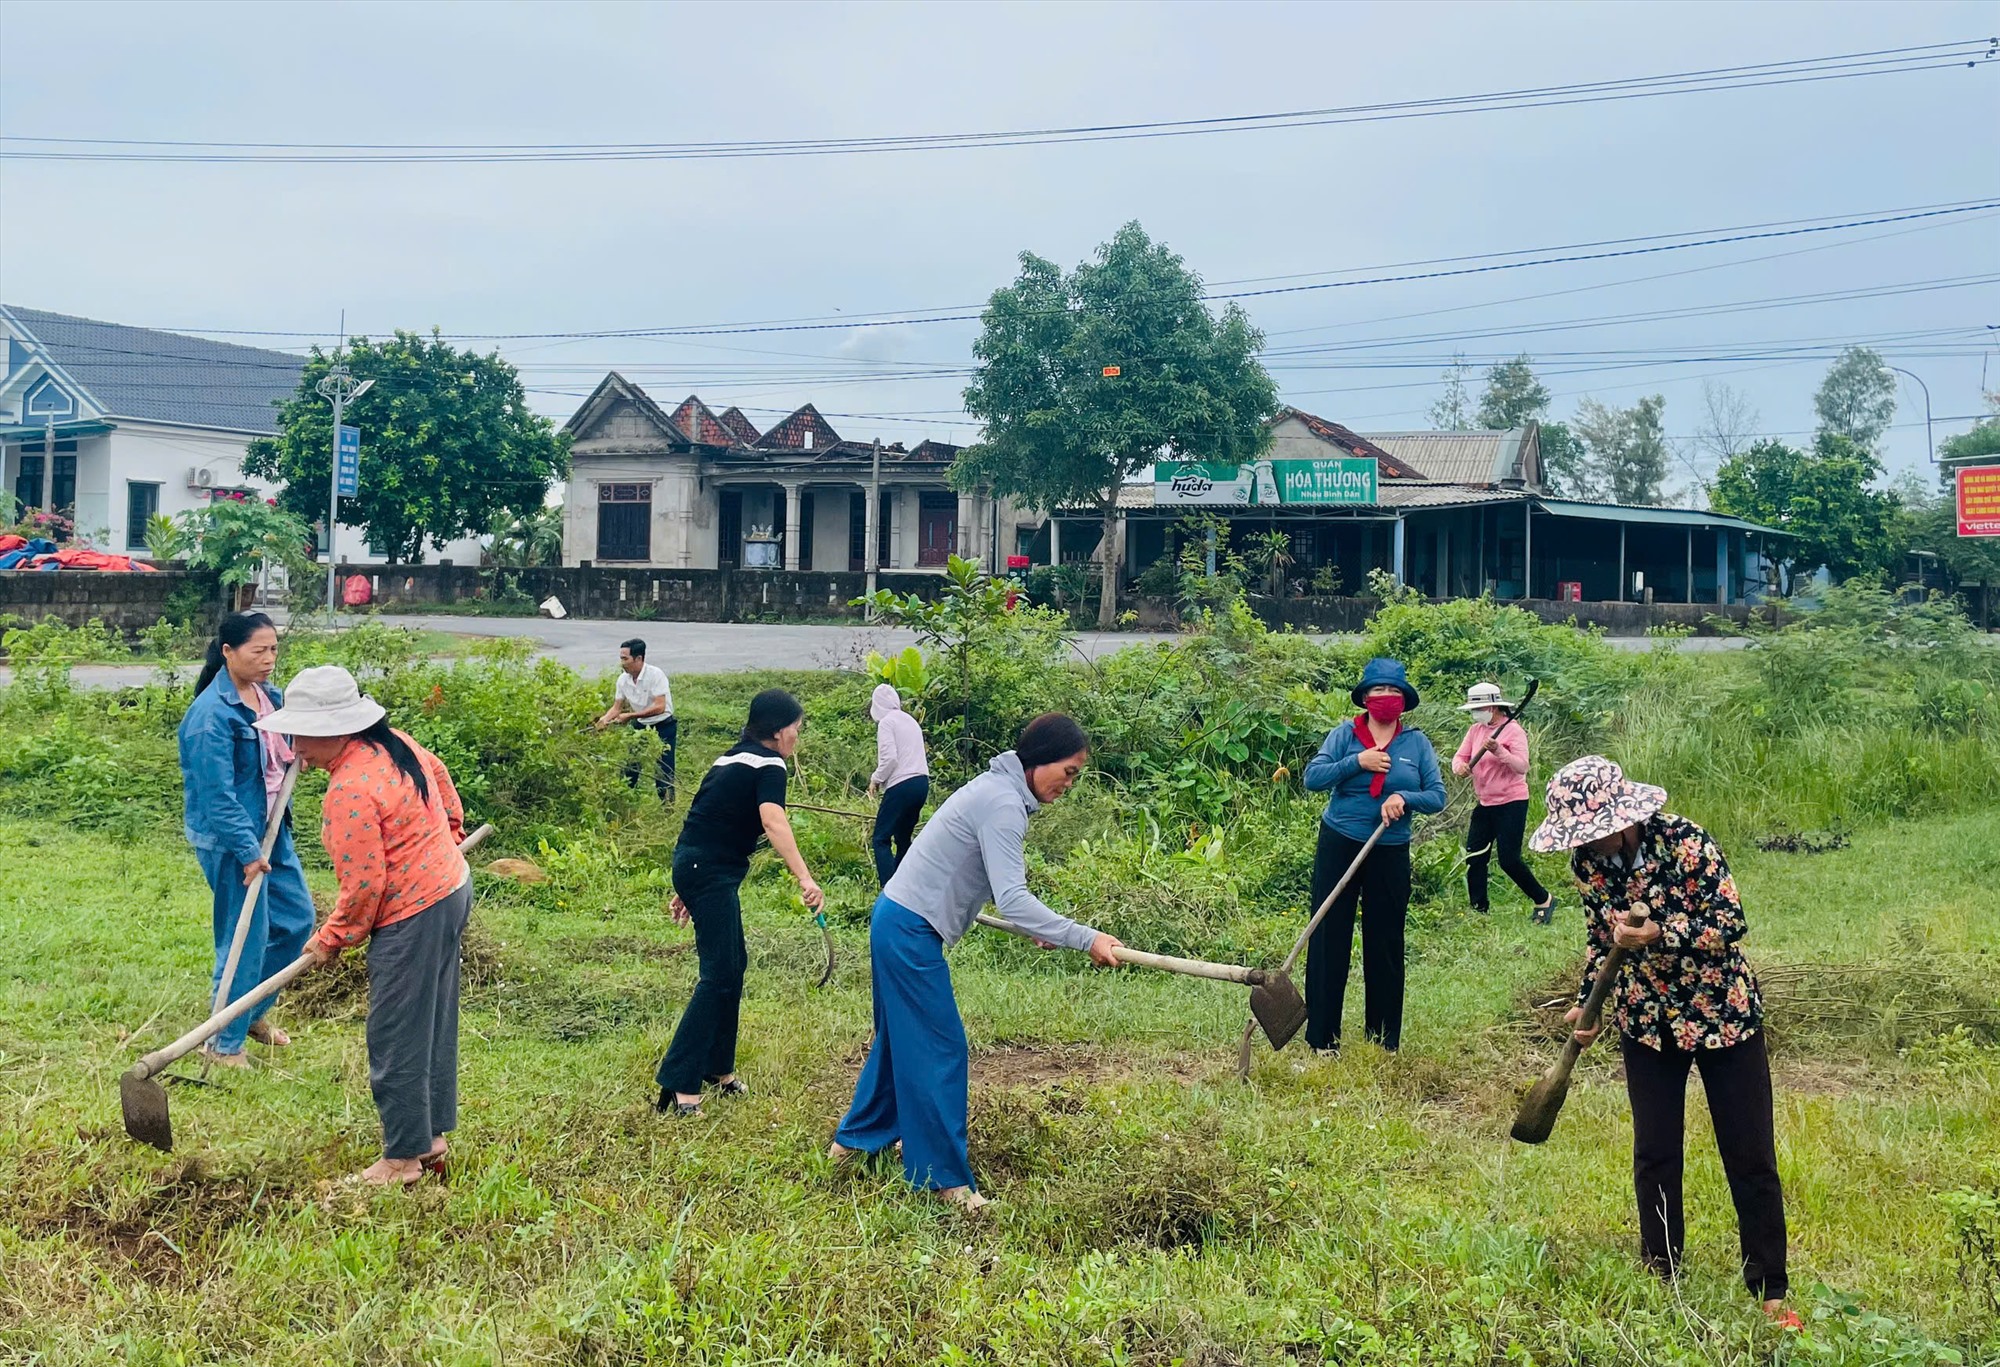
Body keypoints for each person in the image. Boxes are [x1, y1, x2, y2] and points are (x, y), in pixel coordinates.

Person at [1530, 755, 1792, 1325]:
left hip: (1722, 1012)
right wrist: (1588, 1002)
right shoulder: (1588, 866)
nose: (1592, 845)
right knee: (1655, 1151)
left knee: (1748, 1152)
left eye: (1597, 833)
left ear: (1624, 818)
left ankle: (1770, 1288)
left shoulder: (1686, 841)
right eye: (1583, 837)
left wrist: (1660, 932)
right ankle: (1662, 1272)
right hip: (1646, 1018)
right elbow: (1602, 941)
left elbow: (1728, 925)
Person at [829, 714, 1123, 1212]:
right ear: (1041, 759)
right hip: (908, 931)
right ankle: (943, 1180)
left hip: (897, 920)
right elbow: (1013, 899)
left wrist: (1039, 927)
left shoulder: (997, 790)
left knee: (901, 1043)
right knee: (941, 1049)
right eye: (1069, 771)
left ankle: (852, 1145)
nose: (1070, 784)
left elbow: (992, 891)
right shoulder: (1004, 803)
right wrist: (1084, 937)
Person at [257, 665, 472, 1187]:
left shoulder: (350, 790)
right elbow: (440, 778)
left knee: (396, 1034)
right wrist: (447, 835)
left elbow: (364, 889)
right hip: (451, 888)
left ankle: (402, 1161)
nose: (294, 746)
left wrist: (332, 938)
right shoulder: (393, 742)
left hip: (413, 914)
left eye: (301, 733)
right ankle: (431, 1138)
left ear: (334, 730)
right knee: (431, 1022)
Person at [655, 689, 823, 1117]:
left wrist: (688, 883)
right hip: (706, 871)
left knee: (733, 965)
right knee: (719, 974)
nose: (796, 738)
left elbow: (708, 815)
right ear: (778, 730)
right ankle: (679, 1082)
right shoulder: (769, 764)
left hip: (698, 866)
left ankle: (718, 1068)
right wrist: (805, 877)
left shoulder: (729, 758)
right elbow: (773, 819)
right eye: (795, 730)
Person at [176, 612, 316, 1068]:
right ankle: (223, 1043)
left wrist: (298, 751)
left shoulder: (268, 697)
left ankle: (248, 1011)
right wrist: (248, 851)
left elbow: (281, 749)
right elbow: (218, 796)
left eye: (274, 648)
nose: (269, 659)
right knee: (245, 936)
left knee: (296, 922)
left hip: (274, 829)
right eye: (259, 650)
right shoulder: (210, 717)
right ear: (228, 652)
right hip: (233, 841)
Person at [1300, 657, 1446, 1053]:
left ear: (1404, 699)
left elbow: (1437, 796)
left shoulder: (1416, 743)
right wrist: (1356, 763)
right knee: (1330, 937)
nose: (1385, 697)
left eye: (1393, 691)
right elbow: (1313, 778)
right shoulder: (1344, 736)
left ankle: (1383, 1041)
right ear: (1365, 697)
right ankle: (1322, 1040)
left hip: (1390, 850)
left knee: (1385, 943)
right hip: (1340, 842)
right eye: (1378, 690)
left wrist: (1404, 796)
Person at [1451, 681, 1556, 924]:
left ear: (1494, 707)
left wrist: (1499, 751)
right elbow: (1459, 757)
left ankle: (1543, 899)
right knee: (1475, 856)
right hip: (1485, 802)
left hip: (1512, 802)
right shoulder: (1475, 730)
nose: (1475, 713)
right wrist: (1460, 768)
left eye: (1480, 708)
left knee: (1509, 859)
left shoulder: (1513, 730)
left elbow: (1522, 766)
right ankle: (1479, 909)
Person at [596, 638, 676, 803]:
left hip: (663, 725)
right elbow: (617, 708)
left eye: (625, 659)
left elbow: (660, 707)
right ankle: (625, 803)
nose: (622, 663)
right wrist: (604, 720)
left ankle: (668, 809)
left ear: (638, 658)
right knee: (631, 767)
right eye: (621, 658)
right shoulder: (623, 680)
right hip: (641, 725)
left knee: (663, 771)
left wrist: (630, 716)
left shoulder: (655, 675)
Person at [865, 683, 930, 885]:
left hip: (902, 785)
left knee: (881, 839)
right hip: (921, 783)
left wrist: (875, 779)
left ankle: (889, 890)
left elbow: (890, 759)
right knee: (903, 838)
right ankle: (905, 886)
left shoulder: (887, 722)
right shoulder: (910, 721)